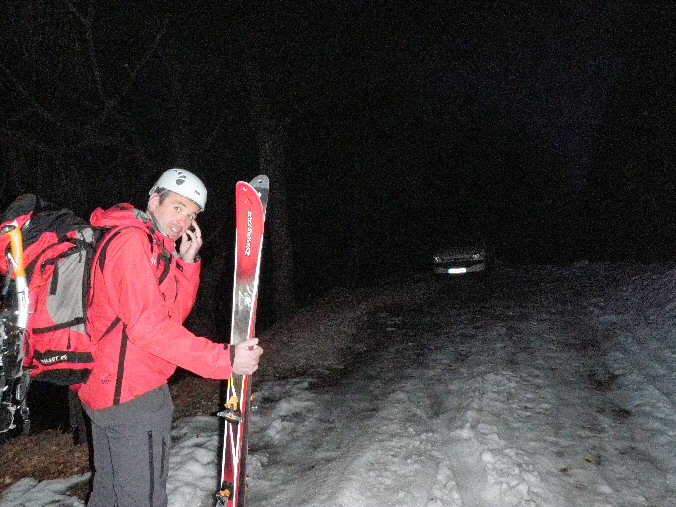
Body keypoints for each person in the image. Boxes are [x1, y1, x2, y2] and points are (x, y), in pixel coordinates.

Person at [78, 168, 263, 507]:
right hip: (133, 397)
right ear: (154, 199)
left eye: (192, 214)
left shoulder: (148, 243)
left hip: (111, 389)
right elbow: (150, 328)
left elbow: (168, 316)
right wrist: (225, 359)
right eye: (178, 207)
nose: (184, 220)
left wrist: (186, 263)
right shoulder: (131, 243)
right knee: (141, 500)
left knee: (108, 494)